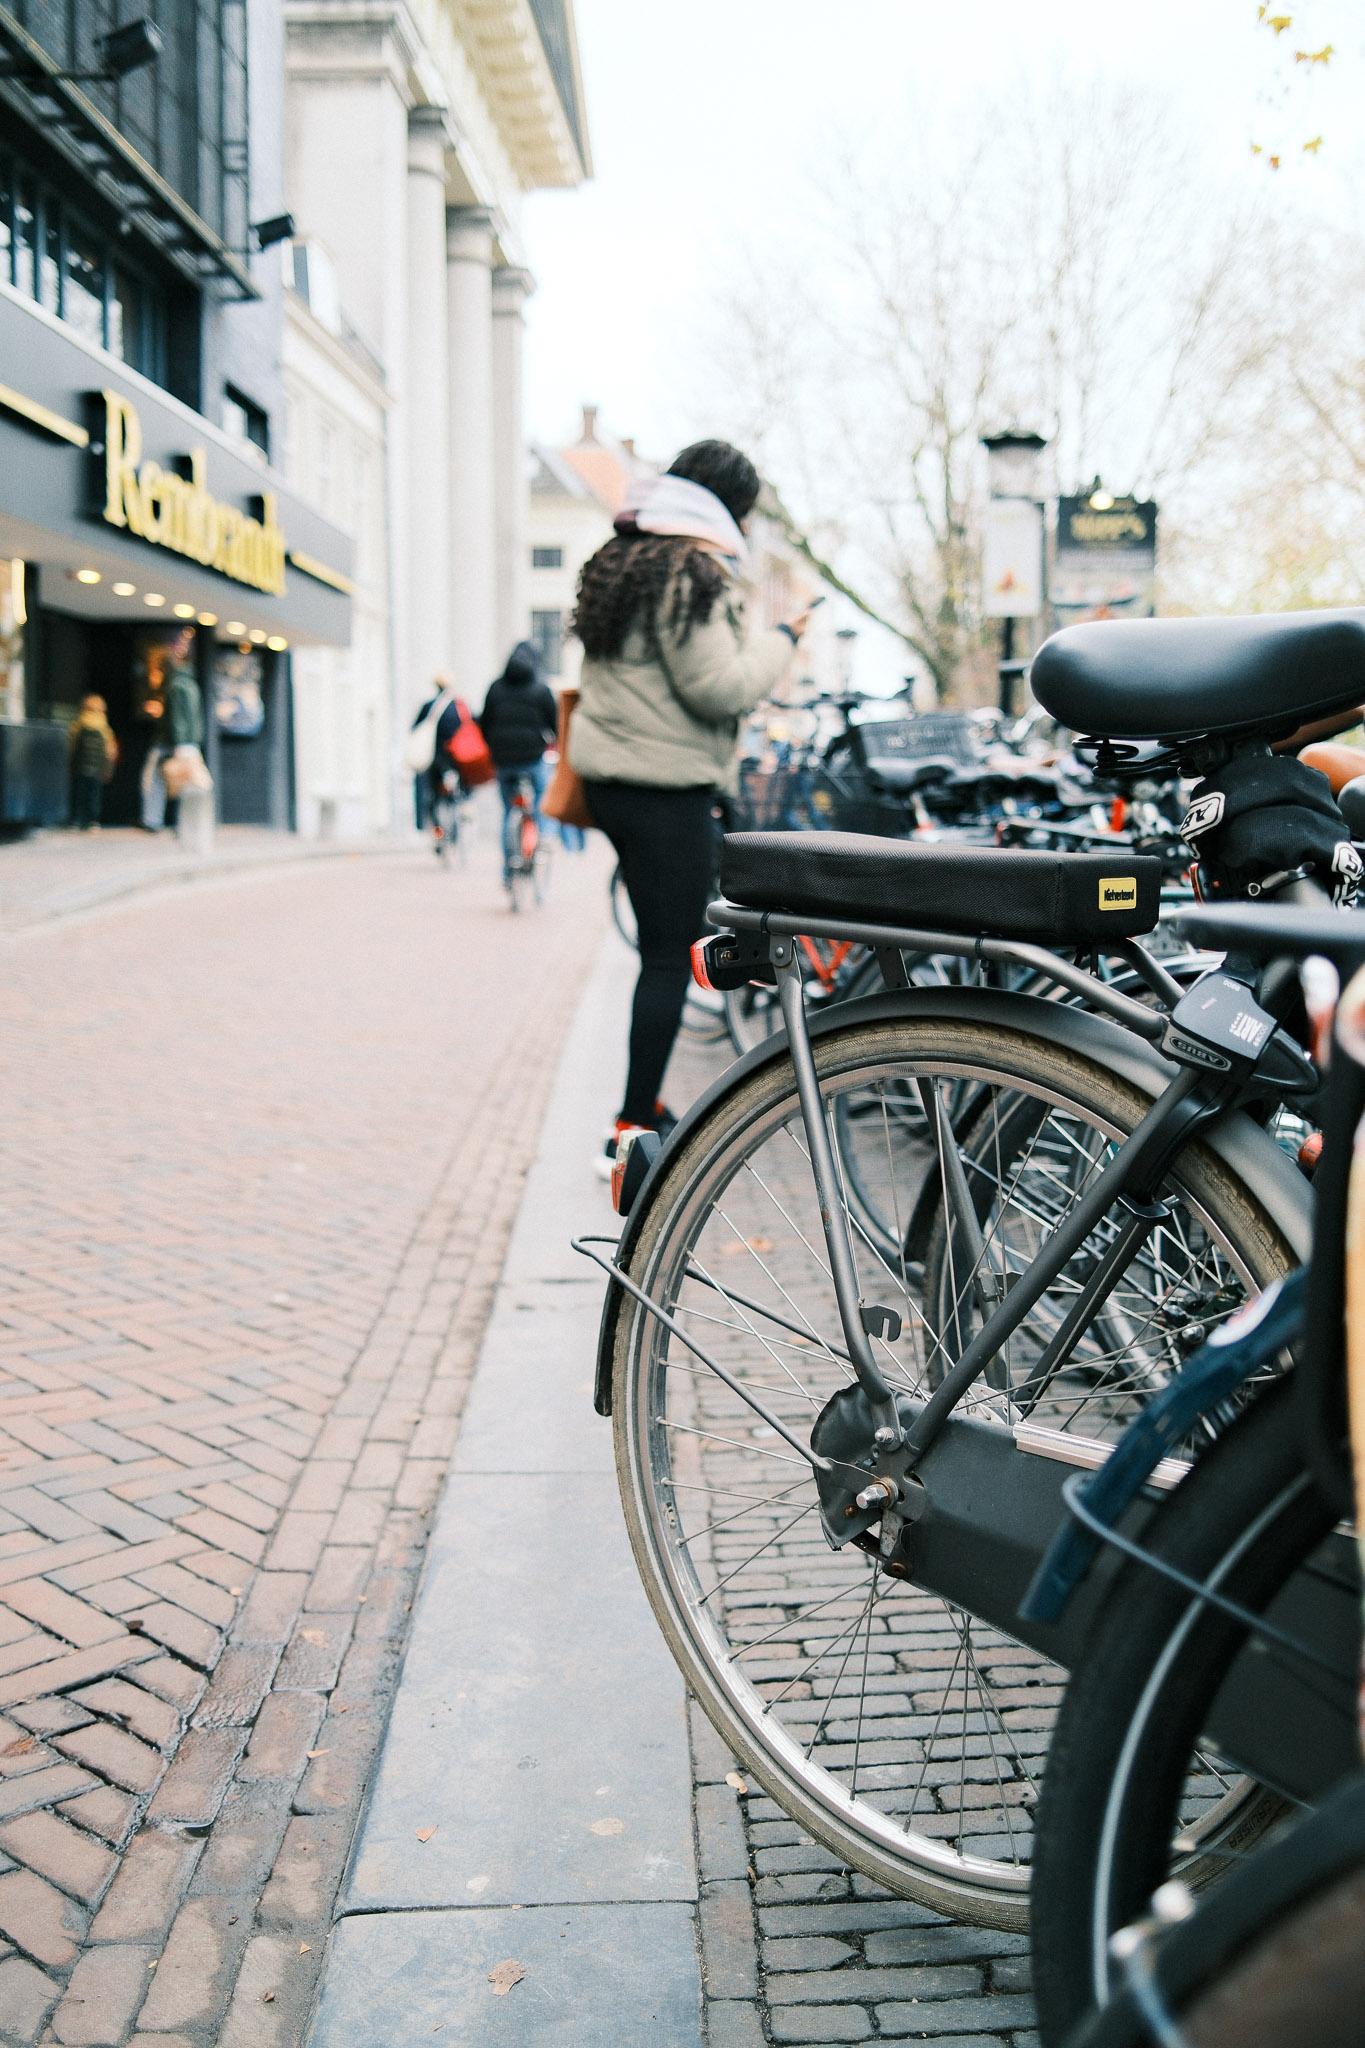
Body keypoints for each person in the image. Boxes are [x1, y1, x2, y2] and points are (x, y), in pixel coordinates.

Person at [569, 438, 810, 1173]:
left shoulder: (628, 556)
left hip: (620, 778)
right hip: (660, 782)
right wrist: (783, 636)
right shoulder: (688, 573)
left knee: (669, 942)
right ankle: (632, 1126)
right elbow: (722, 687)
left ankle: (640, 1107)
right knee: (667, 957)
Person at [478, 641, 559, 884]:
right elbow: (555, 725)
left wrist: (494, 746)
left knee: (507, 812)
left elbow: (485, 724)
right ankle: (544, 835)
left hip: (504, 761)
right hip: (532, 757)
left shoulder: (495, 688)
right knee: (542, 796)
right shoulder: (541, 690)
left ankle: (508, 870)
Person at [141, 627, 201, 830]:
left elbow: (177, 718)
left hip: (170, 742)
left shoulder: (175, 686)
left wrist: (178, 742)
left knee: (154, 780)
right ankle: (185, 823)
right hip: (190, 743)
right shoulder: (191, 685)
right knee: (187, 782)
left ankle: (152, 821)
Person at [410, 678, 462, 832]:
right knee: (457, 792)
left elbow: (415, 728)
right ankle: (456, 825)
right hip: (453, 759)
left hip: (434, 759)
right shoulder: (458, 706)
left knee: (433, 795)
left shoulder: (428, 706)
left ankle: (437, 829)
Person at [67, 694, 118, 830]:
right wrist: (108, 769)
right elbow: (111, 752)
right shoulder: (104, 728)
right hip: (97, 769)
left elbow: (71, 747)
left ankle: (76, 820)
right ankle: (93, 821)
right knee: (94, 796)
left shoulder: (77, 725)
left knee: (78, 795)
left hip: (80, 768)